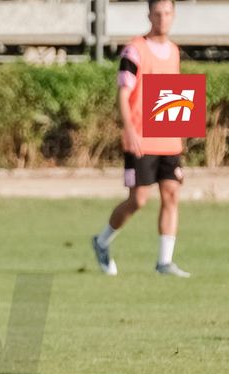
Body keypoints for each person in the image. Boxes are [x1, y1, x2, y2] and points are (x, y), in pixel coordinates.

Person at [92, 0, 189, 277]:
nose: (162, 18)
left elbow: (172, 93)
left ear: (173, 15)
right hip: (142, 138)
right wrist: (130, 130)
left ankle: (164, 262)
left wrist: (181, 130)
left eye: (167, 13)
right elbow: (124, 94)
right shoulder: (134, 50)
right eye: (158, 13)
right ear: (149, 15)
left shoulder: (174, 51)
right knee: (139, 200)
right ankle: (102, 241)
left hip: (168, 137)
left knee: (171, 193)